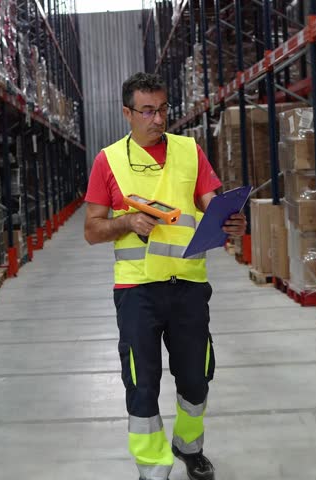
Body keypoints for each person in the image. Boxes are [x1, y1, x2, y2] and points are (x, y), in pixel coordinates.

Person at [83, 72, 247, 480]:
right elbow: (91, 229)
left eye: (163, 109)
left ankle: (189, 447)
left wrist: (231, 222)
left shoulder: (190, 151)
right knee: (142, 382)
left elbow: (211, 203)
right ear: (128, 113)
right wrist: (127, 223)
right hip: (138, 290)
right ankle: (153, 467)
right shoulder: (109, 161)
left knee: (196, 377)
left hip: (189, 287)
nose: (158, 119)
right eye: (148, 111)